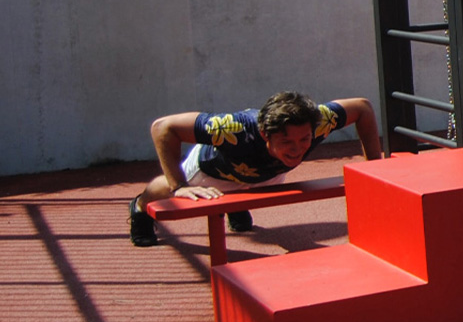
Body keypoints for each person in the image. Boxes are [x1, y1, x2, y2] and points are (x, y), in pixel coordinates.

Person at [128, 92, 382, 247]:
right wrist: (179, 186)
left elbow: (362, 107)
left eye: (304, 139)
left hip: (267, 172)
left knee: (259, 178)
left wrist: (374, 167)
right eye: (286, 141)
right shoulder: (232, 128)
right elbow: (163, 127)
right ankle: (139, 207)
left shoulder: (318, 120)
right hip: (212, 172)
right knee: (168, 187)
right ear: (264, 134)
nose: (297, 149)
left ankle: (237, 205)